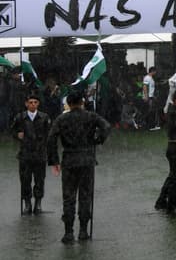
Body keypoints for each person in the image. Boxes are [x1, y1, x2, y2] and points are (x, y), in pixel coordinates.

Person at [48, 91, 110, 243]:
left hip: (69, 160)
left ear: (68, 103)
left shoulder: (62, 119)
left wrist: (54, 160)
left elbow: (51, 139)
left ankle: (68, 232)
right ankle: (83, 230)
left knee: (68, 197)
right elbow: (106, 127)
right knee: (85, 196)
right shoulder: (91, 116)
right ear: (82, 102)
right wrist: (98, 139)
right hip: (87, 159)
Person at [11, 94, 53, 215]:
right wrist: (17, 135)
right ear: (26, 104)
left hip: (39, 154)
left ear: (38, 104)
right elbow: (12, 130)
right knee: (25, 180)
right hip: (25, 154)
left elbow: (49, 134)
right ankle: (27, 203)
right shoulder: (20, 117)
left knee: (40, 180)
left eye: (35, 102)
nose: (33, 104)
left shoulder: (44, 117)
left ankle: (38, 203)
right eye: (30, 102)